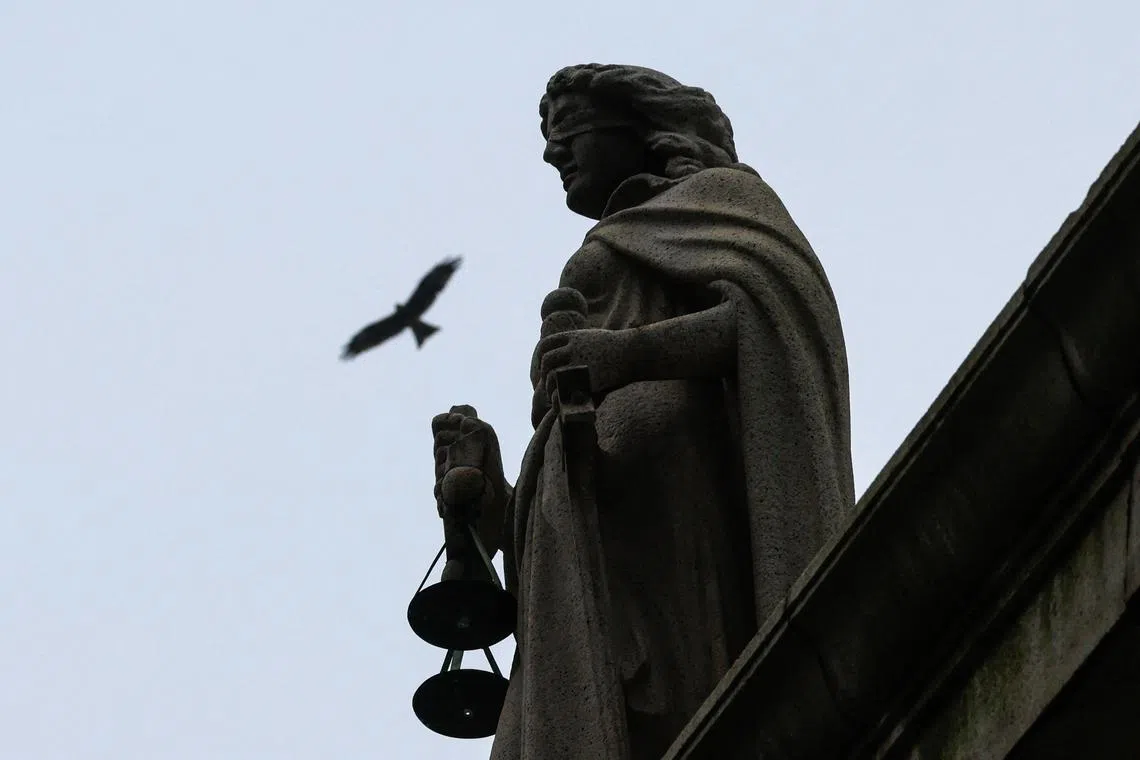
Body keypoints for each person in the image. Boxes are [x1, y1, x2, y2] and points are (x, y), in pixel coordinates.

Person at [431, 63, 856, 760]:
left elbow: (767, 321)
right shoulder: (606, 247)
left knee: (693, 708)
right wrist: (493, 506)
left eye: (570, 130)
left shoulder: (721, 200)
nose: (551, 152)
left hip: (684, 521)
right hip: (594, 532)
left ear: (643, 129)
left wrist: (628, 354)